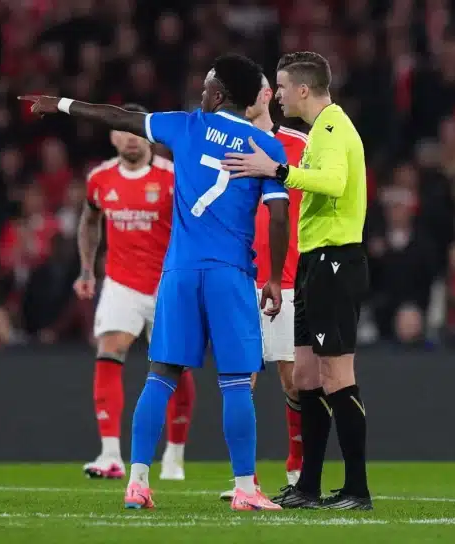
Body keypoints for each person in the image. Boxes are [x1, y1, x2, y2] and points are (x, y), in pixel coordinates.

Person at [20, 53, 291, 512]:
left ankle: (138, 483)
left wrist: (62, 104)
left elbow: (117, 116)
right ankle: (246, 488)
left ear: (218, 94)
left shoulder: (185, 126)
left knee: (160, 376)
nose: (201, 90)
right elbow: (279, 215)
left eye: (206, 85)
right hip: (230, 274)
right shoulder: (266, 145)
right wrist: (273, 278)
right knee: (234, 382)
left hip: (179, 273)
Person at [223, 51, 372, 510]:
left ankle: (357, 489)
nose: (279, 95)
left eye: (284, 87)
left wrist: (279, 170)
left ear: (304, 89)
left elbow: (333, 181)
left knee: (337, 375)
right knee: (306, 376)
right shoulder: (320, 129)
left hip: (336, 259)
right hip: (313, 260)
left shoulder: (331, 128)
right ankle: (307, 485)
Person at [75, 104, 195, 482]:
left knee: (175, 364)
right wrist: (86, 269)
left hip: (168, 283)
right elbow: (89, 221)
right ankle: (110, 454)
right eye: (123, 131)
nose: (130, 138)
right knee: (109, 350)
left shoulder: (173, 176)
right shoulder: (100, 179)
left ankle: (174, 454)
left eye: (136, 131)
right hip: (121, 281)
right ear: (113, 137)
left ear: (149, 137)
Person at [219, 75, 308, 501]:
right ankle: (246, 480)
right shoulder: (223, 143)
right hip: (239, 276)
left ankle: (297, 469)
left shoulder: (300, 145)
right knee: (242, 380)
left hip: (288, 277)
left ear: (267, 95)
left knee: (294, 381)